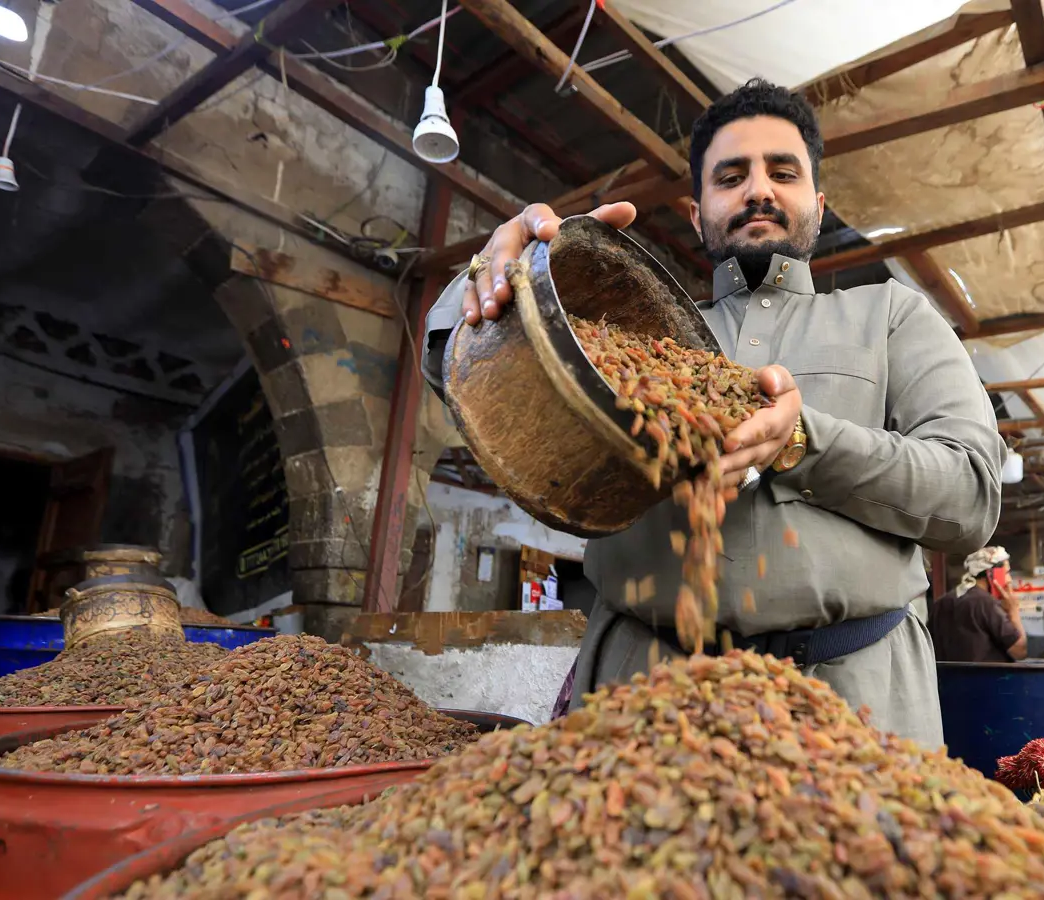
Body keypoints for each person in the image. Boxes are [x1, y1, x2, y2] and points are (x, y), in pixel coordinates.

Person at [422, 78, 1004, 746]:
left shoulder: (890, 314)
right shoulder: (631, 337)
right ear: (697, 213)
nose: (759, 189)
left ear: (816, 204)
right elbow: (460, 373)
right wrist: (492, 277)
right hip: (644, 698)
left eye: (782, 172)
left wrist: (805, 442)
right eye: (731, 176)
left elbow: (971, 496)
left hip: (855, 703)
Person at [927, 547, 1027, 663]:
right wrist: (1013, 611)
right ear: (992, 574)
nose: (1009, 580)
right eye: (1006, 572)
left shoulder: (942, 602)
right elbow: (1020, 650)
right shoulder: (986, 603)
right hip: (986, 680)